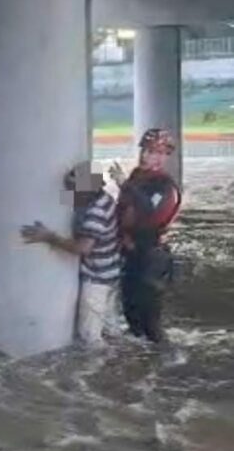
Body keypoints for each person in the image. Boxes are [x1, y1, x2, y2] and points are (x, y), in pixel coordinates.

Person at [21, 162, 121, 346]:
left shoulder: (95, 212)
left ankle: (101, 368)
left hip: (97, 280)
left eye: (73, 189)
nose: (69, 194)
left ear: (86, 191)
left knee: (90, 338)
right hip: (111, 274)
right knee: (111, 329)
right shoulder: (104, 198)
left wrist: (49, 237)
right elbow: (69, 200)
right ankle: (121, 360)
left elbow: (83, 248)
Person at [115, 128, 181, 344]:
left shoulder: (164, 185)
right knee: (131, 312)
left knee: (150, 321)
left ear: (165, 156)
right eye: (148, 150)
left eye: (158, 152)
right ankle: (142, 365)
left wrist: (125, 184)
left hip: (152, 256)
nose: (150, 156)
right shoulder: (138, 177)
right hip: (132, 253)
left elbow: (150, 212)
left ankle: (163, 362)